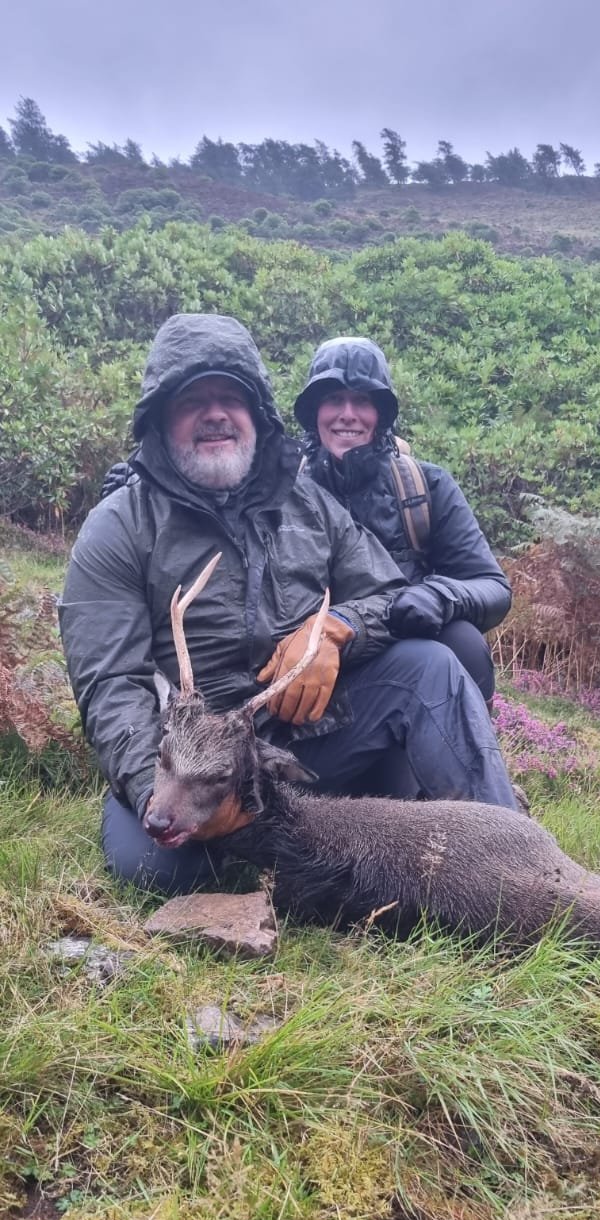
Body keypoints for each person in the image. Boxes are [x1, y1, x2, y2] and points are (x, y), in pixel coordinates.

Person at [61, 312, 518, 895]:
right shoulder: (118, 526)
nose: (216, 413)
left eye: (232, 397)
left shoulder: (306, 503)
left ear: (257, 415)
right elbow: (110, 685)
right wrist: (156, 786)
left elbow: (388, 593)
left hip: (304, 737)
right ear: (160, 419)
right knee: (158, 870)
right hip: (189, 766)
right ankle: (331, 842)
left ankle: (512, 861)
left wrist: (338, 626)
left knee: (431, 665)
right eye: (192, 399)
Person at [293, 336, 510, 706]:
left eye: (362, 400)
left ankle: (466, 748)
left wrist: (436, 596)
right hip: (310, 661)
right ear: (315, 411)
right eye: (333, 399)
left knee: (464, 643)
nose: (348, 413)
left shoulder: (425, 486)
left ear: (381, 414)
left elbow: (492, 587)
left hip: (405, 652)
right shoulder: (284, 495)